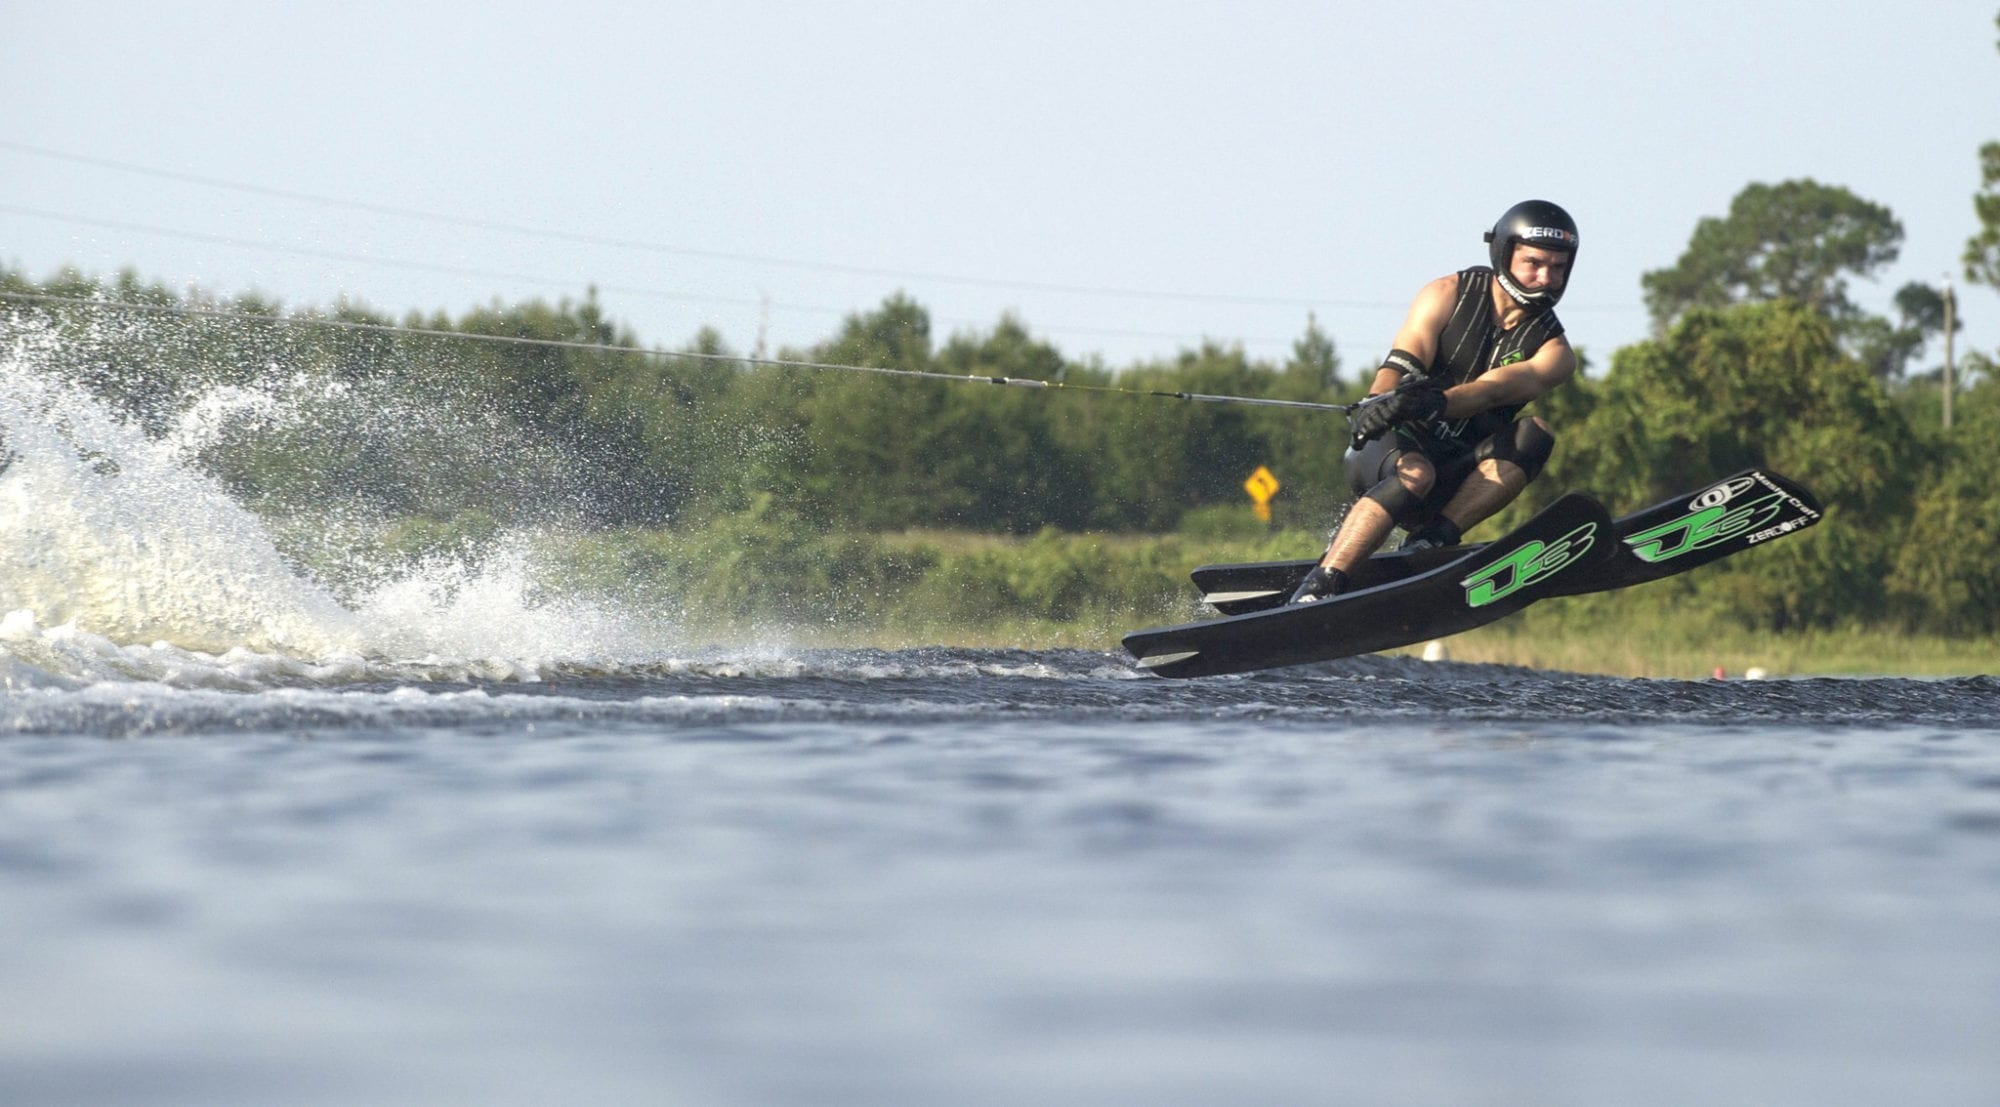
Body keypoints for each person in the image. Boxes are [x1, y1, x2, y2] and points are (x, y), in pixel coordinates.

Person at [1289, 199, 1580, 604]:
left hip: (1454, 478)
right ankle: (1319, 585)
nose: (1546, 277)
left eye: (1557, 267)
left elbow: (1494, 389)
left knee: (1534, 435)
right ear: (1503, 253)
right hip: (1388, 452)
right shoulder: (1446, 293)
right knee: (1416, 474)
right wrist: (1377, 402)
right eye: (1533, 263)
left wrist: (1434, 402)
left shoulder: (1555, 353)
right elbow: (1401, 361)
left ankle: (1430, 541)